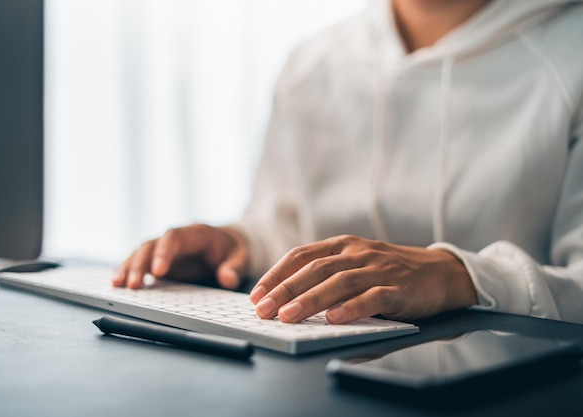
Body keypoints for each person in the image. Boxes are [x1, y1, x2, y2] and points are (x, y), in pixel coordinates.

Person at [113, 0, 583, 325]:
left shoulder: (570, 53)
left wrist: (457, 275)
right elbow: (287, 227)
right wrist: (238, 246)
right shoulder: (314, 63)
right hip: (322, 373)